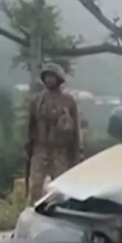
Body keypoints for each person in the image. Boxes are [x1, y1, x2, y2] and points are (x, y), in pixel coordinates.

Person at [26, 62, 84, 205]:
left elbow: (76, 128)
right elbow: (30, 125)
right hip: (40, 149)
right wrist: (28, 146)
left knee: (61, 188)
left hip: (60, 151)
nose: (49, 80)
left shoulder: (69, 101)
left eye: (52, 76)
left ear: (59, 79)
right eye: (46, 76)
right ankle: (34, 212)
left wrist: (78, 151)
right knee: (36, 186)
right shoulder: (37, 100)